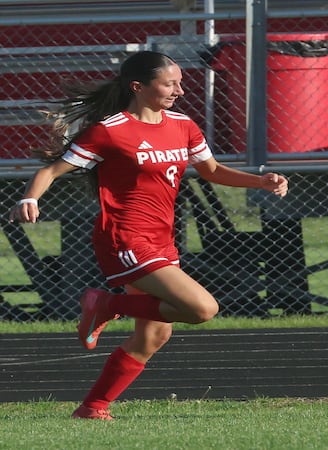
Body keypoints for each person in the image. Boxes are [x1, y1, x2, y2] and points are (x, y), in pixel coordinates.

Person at [9, 51, 288, 420]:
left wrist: (260, 182)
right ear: (138, 87)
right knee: (203, 308)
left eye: (179, 83)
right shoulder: (110, 131)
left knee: (154, 336)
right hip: (124, 238)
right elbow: (51, 170)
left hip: (161, 239)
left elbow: (212, 170)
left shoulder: (183, 125)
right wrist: (29, 198)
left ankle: (93, 408)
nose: (180, 91)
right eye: (170, 84)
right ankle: (106, 304)